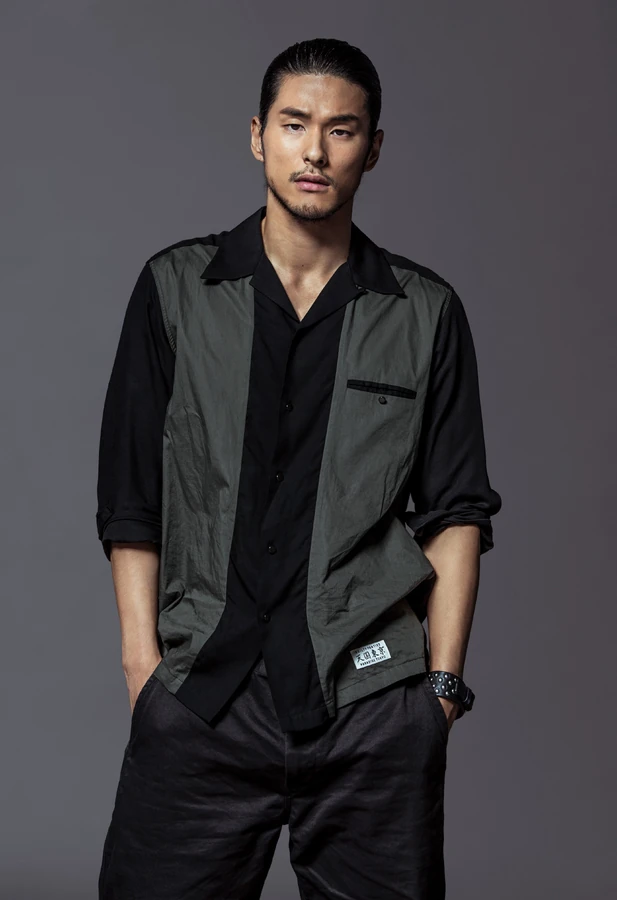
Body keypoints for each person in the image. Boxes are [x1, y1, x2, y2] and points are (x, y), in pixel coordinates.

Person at [95, 37, 502, 900]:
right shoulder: (176, 290)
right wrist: (142, 670)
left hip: (370, 704)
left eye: (340, 130)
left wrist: (437, 692)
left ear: (372, 148)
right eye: (293, 124)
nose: (314, 150)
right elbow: (132, 497)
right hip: (202, 697)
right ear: (257, 136)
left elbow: (456, 513)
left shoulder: (424, 313)